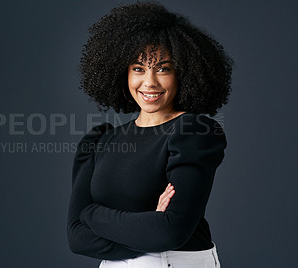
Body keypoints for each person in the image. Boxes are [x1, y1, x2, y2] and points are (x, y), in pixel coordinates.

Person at [67, 1, 233, 267]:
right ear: (123, 74)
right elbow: (76, 238)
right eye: (138, 68)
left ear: (184, 75)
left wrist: (93, 215)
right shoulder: (100, 139)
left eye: (163, 68)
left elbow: (171, 232)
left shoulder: (194, 131)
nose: (150, 82)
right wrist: (149, 226)